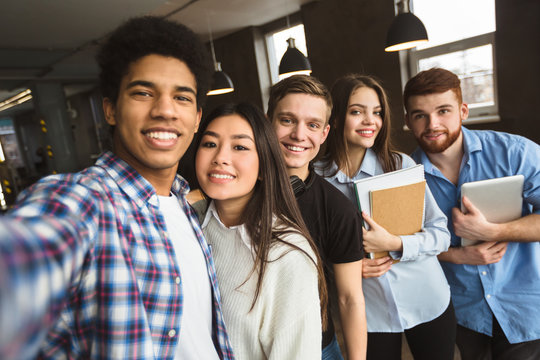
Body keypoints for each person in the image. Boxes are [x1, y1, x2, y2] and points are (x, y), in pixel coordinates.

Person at [0, 16, 235, 360]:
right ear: (110, 109)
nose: (165, 110)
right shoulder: (84, 201)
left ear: (197, 117)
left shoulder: (183, 203)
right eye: (143, 93)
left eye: (182, 98)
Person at [317, 73, 456, 360]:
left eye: (377, 113)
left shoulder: (399, 165)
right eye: (357, 111)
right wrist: (340, 267)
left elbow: (441, 234)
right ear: (337, 115)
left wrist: (396, 242)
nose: (371, 121)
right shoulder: (316, 179)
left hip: (428, 299)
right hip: (370, 314)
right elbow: (311, 248)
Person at [405, 67, 540, 360]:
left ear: (463, 110)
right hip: (459, 311)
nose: (433, 124)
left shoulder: (514, 153)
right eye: (420, 115)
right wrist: (457, 255)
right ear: (408, 121)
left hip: (525, 302)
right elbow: (399, 246)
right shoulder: (403, 177)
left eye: (443, 111)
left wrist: (495, 232)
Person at [192, 102, 327, 359]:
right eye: (209, 144)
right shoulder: (188, 228)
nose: (220, 157)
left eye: (240, 147)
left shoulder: (287, 254)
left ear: (265, 166)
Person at [266, 75, 367, 360]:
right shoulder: (235, 190)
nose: (299, 135)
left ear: (324, 134)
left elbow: (350, 299)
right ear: (266, 122)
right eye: (287, 120)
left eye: (312, 125)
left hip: (315, 348)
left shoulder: (337, 209)